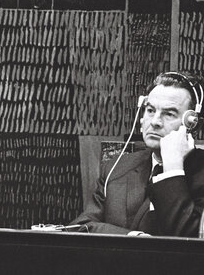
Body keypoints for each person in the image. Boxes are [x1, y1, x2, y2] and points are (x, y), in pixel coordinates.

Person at [71, 72, 204, 236]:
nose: (155, 121)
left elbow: (192, 242)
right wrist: (131, 238)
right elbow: (81, 227)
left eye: (169, 114)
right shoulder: (118, 167)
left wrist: (173, 169)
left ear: (192, 124)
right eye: (150, 110)